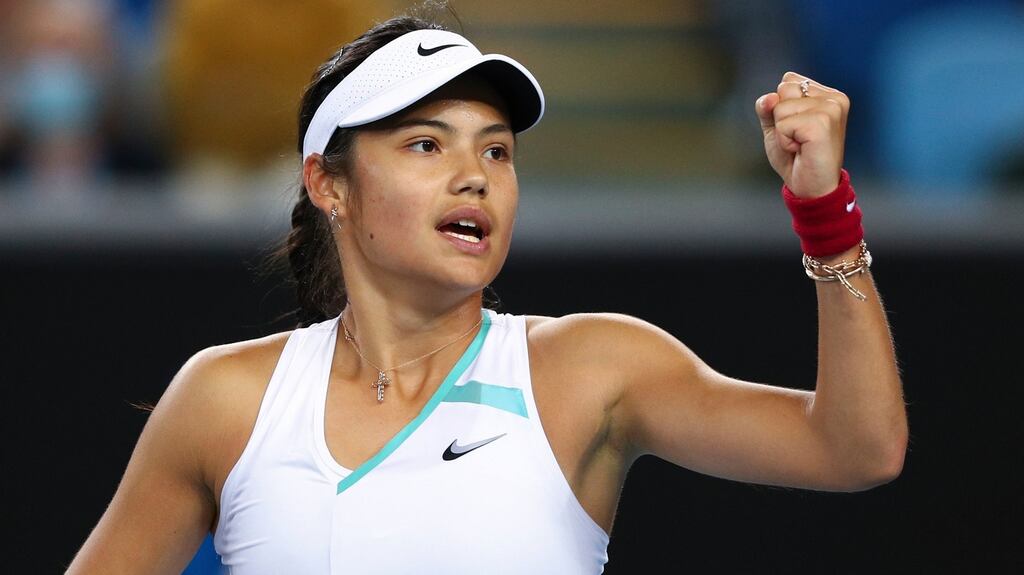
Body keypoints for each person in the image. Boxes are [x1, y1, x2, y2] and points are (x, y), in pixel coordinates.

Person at [68, 13, 908, 575]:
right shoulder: (225, 399)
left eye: (497, 151)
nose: (474, 175)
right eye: (426, 145)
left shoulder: (590, 369)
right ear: (329, 184)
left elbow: (858, 449)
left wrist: (824, 213)